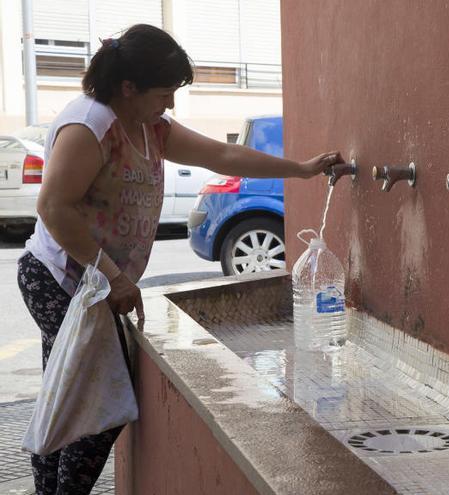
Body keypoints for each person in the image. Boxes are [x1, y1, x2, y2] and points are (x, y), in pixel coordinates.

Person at [17, 24, 343, 495]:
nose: (170, 103)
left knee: (66, 398)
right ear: (129, 87)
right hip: (60, 279)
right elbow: (52, 207)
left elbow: (223, 154)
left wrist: (301, 169)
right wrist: (113, 278)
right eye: (164, 91)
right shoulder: (90, 125)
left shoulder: (151, 127)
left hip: (94, 283)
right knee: (103, 400)